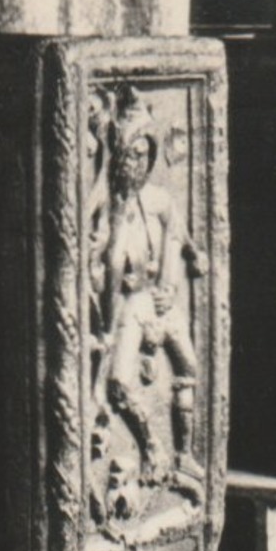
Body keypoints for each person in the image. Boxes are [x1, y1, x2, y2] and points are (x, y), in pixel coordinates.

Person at [91, 88, 206, 484]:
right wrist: (107, 326)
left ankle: (184, 454)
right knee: (120, 383)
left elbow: (179, 236)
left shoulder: (159, 200)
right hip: (131, 305)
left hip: (160, 300)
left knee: (190, 366)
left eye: (143, 155)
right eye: (129, 155)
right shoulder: (109, 209)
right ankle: (151, 444)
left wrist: (173, 283)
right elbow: (104, 268)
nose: (135, 164)